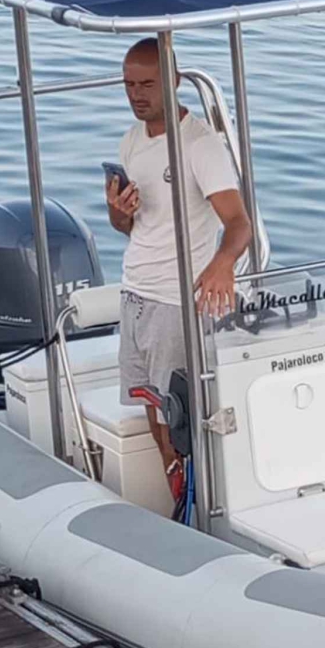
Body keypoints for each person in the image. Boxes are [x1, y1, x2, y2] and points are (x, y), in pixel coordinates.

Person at [106, 38, 251, 501]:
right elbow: (126, 227)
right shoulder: (130, 141)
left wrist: (222, 264)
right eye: (129, 84)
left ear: (172, 81)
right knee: (152, 406)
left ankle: (202, 498)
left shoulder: (200, 145)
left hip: (177, 300)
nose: (136, 94)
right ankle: (178, 496)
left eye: (147, 83)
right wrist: (118, 211)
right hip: (135, 291)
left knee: (180, 412)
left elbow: (238, 222)